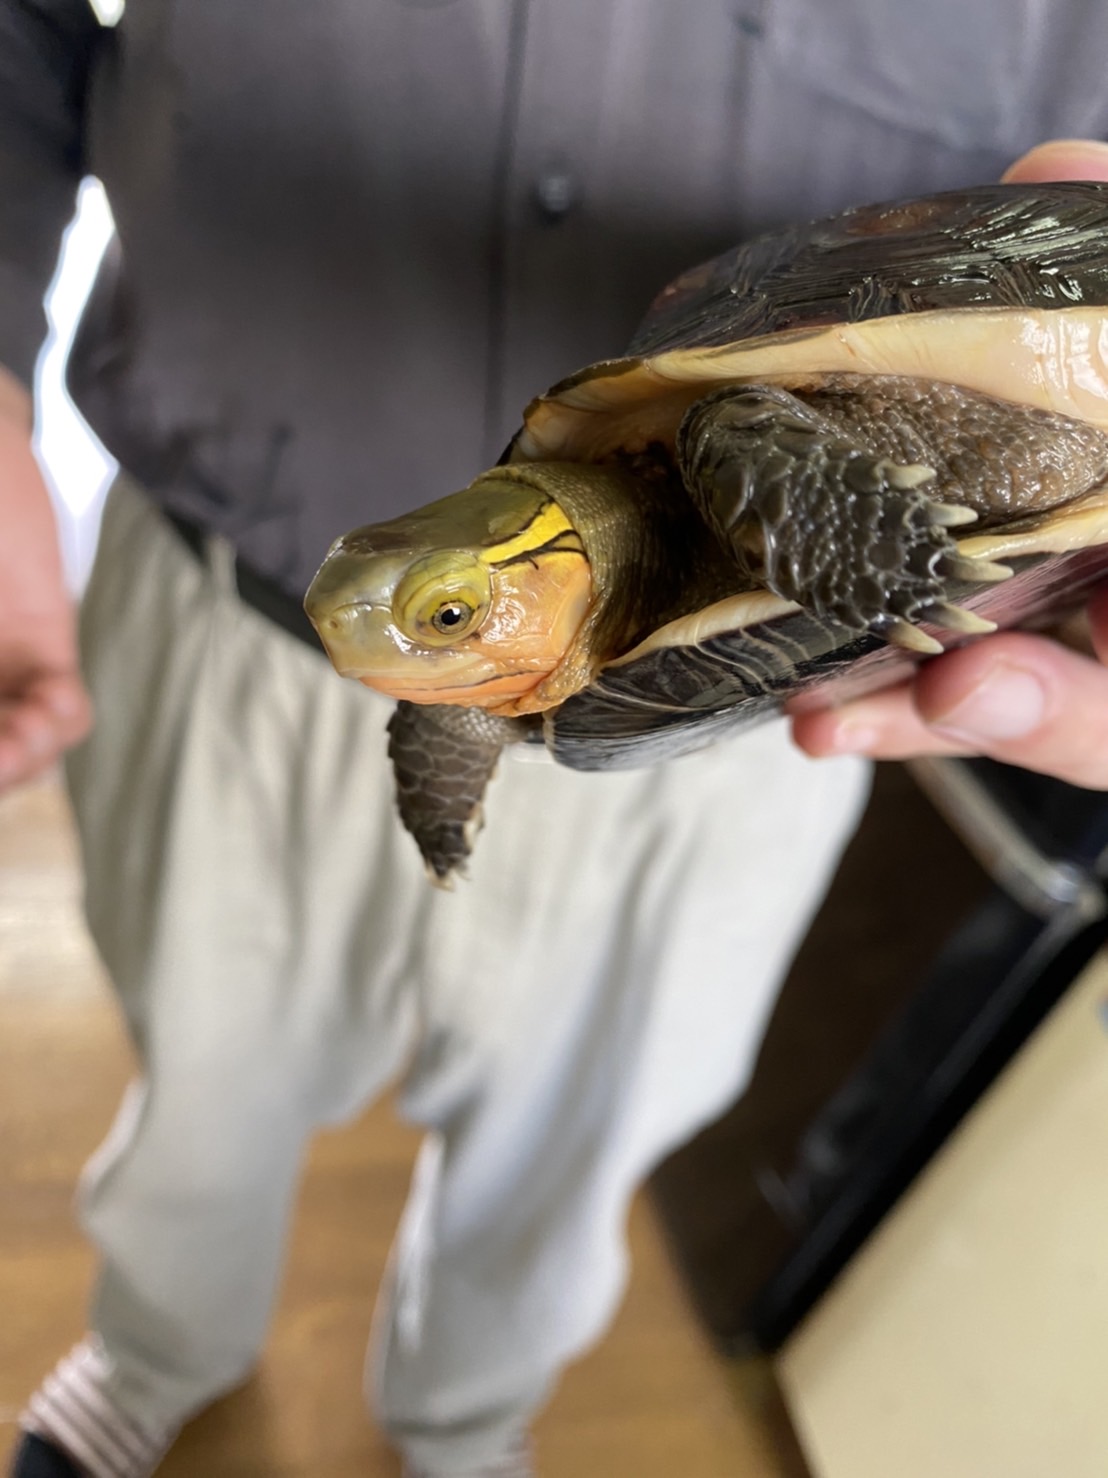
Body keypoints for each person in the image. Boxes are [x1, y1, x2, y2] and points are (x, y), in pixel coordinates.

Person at [2, 6, 1107, 1477]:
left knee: (575, 1150)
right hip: (215, 584)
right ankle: (156, 1344)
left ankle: (465, 1418)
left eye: (449, 618)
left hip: (764, 719)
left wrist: (916, 565)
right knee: (200, 1075)